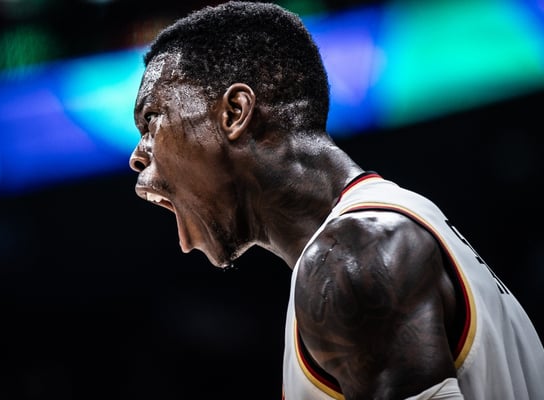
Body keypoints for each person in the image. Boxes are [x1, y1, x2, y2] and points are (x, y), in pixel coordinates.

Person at [128, 1, 544, 399]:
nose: (137, 156)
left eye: (150, 121)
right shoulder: (375, 234)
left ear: (235, 112)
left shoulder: (351, 259)